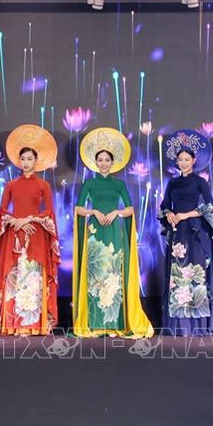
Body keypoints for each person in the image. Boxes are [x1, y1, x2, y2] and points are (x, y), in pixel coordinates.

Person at [73, 127, 153, 338]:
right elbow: (79, 209)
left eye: (107, 160)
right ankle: (95, 323)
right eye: (100, 160)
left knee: (114, 273)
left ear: (112, 162)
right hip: (95, 231)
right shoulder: (89, 184)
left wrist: (117, 212)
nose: (103, 163)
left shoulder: (119, 185)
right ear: (95, 162)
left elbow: (130, 209)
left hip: (115, 231)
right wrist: (94, 212)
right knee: (95, 273)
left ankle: (114, 323)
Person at [0, 124, 60, 336]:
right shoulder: (11, 185)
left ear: (36, 161)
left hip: (35, 234)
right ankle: (13, 324)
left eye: (30, 159)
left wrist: (30, 219)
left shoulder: (43, 185)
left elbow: (49, 211)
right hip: (15, 233)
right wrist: (15, 221)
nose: (26, 162)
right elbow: (3, 210)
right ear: (18, 161)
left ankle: (34, 325)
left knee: (33, 276)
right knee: (15, 274)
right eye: (23, 159)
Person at [158, 129, 213, 336]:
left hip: (195, 232)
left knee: (195, 274)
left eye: (187, 159)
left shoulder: (200, 182)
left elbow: (209, 206)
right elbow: (164, 205)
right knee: (177, 276)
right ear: (177, 162)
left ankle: (197, 325)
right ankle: (179, 325)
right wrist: (169, 214)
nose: (183, 163)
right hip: (178, 233)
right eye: (180, 160)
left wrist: (184, 215)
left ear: (194, 160)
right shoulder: (173, 182)